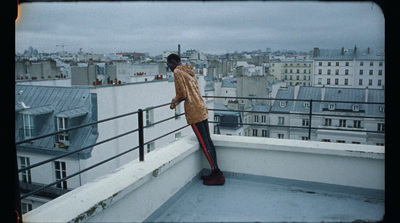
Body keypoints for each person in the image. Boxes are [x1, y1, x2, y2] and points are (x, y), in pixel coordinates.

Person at [167, 53, 225, 186]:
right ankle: (215, 171)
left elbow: (181, 94)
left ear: (173, 63)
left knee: (204, 144)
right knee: (208, 142)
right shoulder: (189, 71)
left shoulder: (177, 72)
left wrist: (173, 103)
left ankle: (217, 174)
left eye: (169, 64)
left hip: (194, 110)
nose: (168, 67)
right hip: (201, 106)